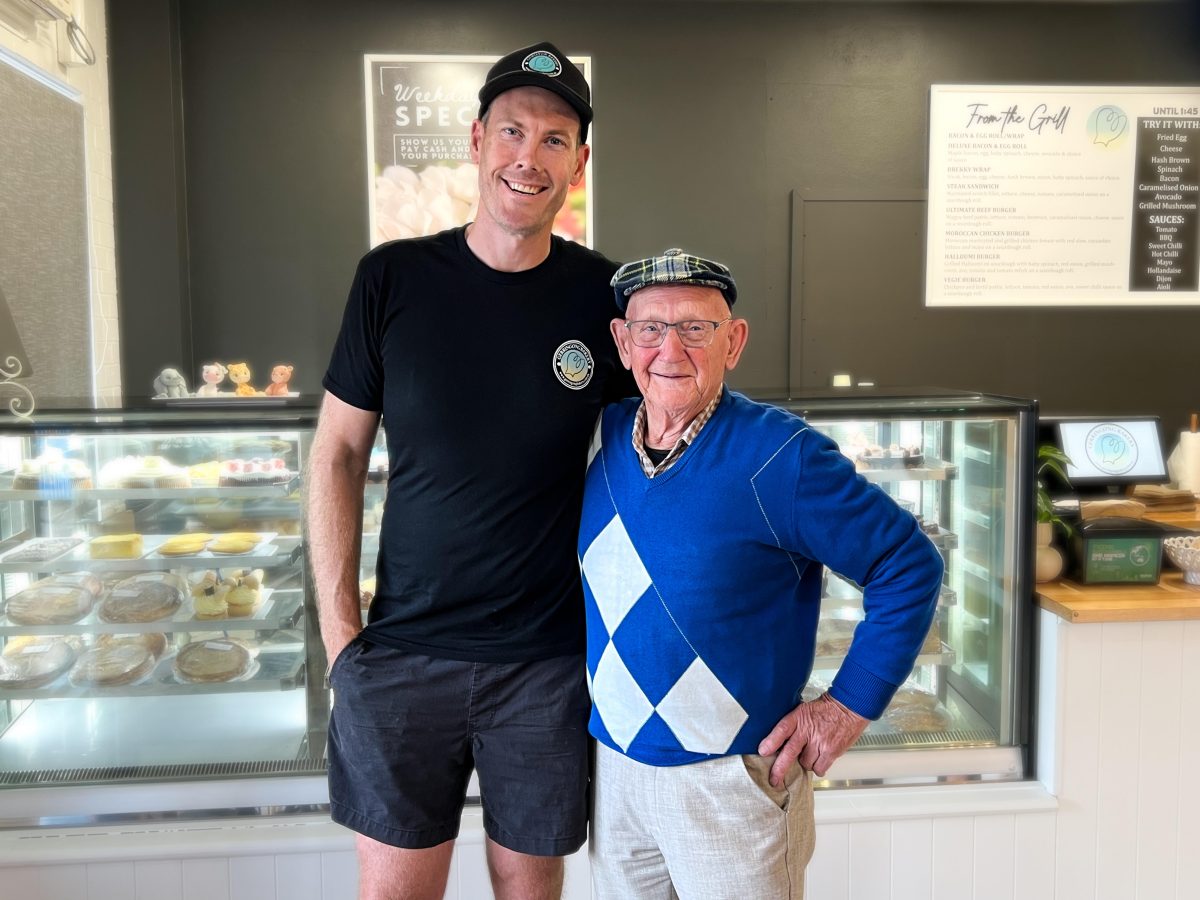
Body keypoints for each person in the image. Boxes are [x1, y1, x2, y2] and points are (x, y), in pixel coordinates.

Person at [306, 42, 634, 900]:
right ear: (478, 140)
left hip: (547, 665)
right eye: (514, 132)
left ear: (580, 163)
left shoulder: (605, 300)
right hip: (403, 656)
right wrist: (343, 644)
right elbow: (337, 452)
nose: (530, 157)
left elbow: (658, 450)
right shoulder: (392, 279)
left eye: (555, 139)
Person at [579, 248, 945, 899]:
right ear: (622, 341)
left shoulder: (782, 457)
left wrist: (845, 707)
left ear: (734, 341)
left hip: (732, 783)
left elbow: (907, 564)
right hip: (616, 777)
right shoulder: (600, 438)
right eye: (650, 328)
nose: (670, 348)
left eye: (696, 328)